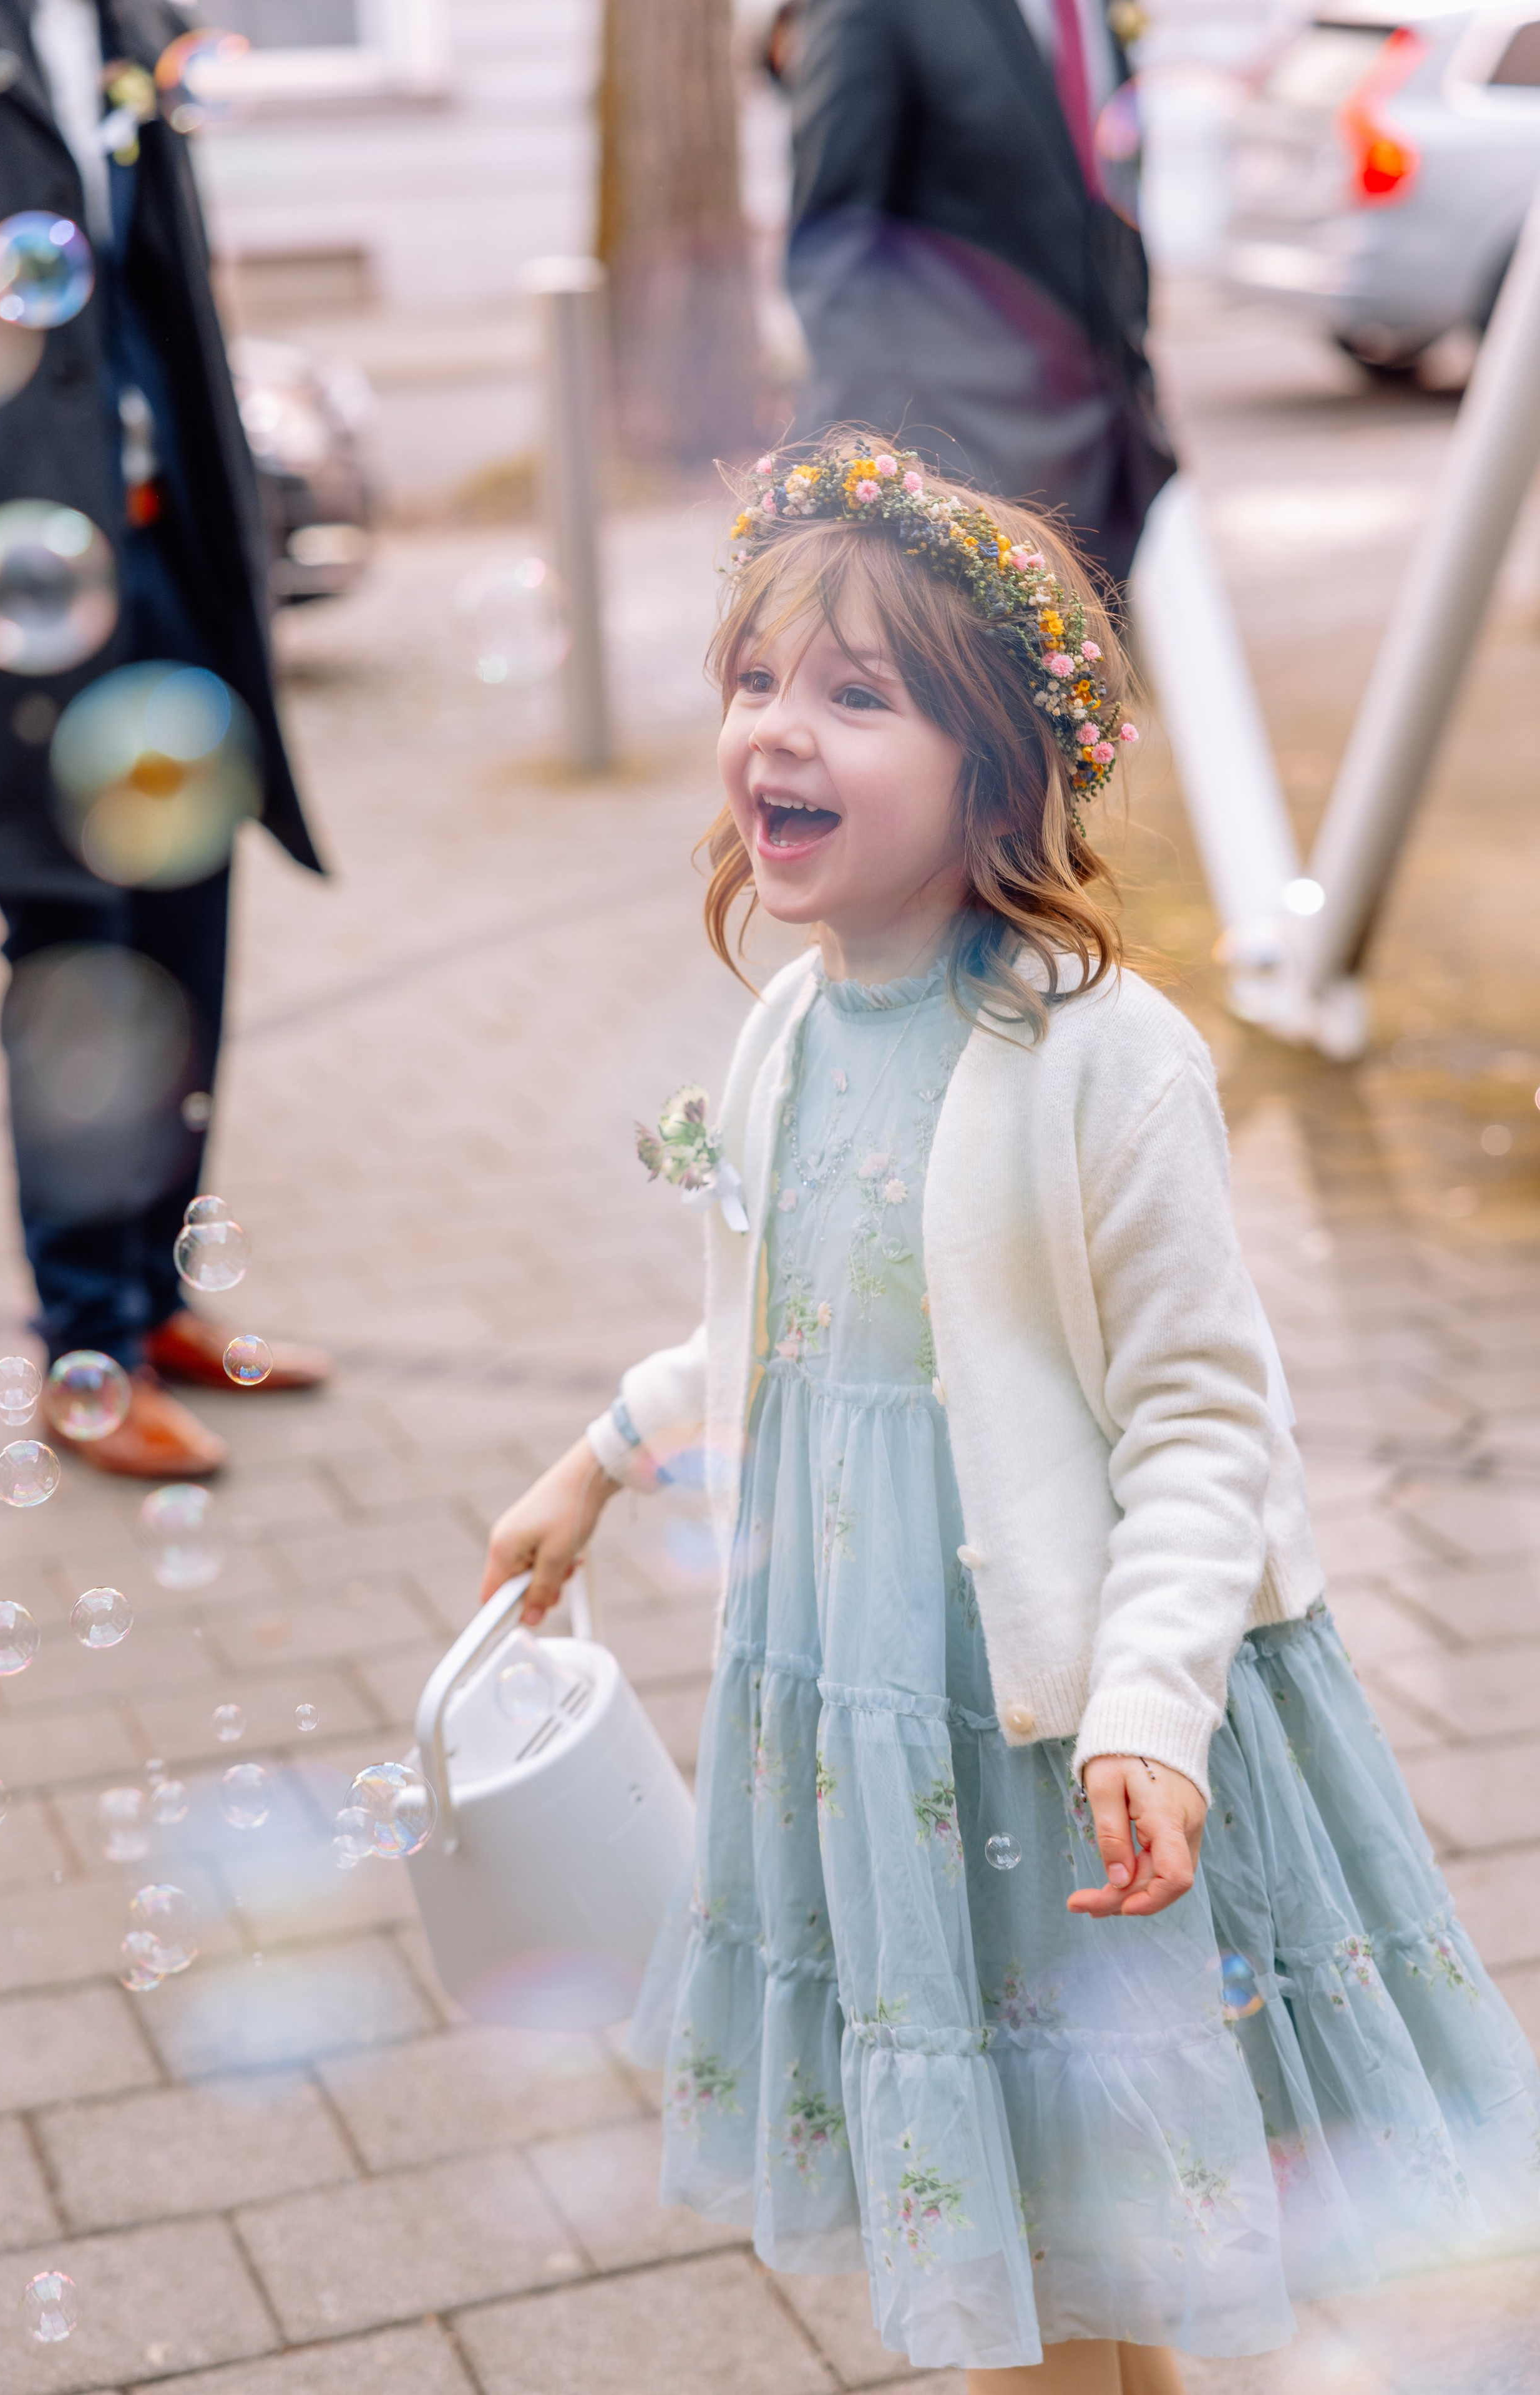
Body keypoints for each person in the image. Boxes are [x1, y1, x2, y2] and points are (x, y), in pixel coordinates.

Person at [479, 443, 1540, 2390]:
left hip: (1070, 1725)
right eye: (754, 681)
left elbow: (1207, 1425)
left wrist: (1152, 1706)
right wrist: (607, 1455)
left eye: (854, 696)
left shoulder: (1100, 1057)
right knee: (1059, 2231)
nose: (775, 732)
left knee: (1070, 2234)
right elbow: (785, 1330)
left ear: (998, 769)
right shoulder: (786, 1033)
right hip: (875, 1733)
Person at [0, 0, 328, 1475]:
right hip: (14, 577)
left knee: (185, 918)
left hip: (166, 556)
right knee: (77, 948)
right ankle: (83, 1346)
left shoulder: (130, 28)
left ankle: (156, 1296)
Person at [784, 0, 1175, 590]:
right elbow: (834, 247)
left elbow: (1104, 196)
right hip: (958, 484)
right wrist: (898, 490)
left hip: (1102, 475)